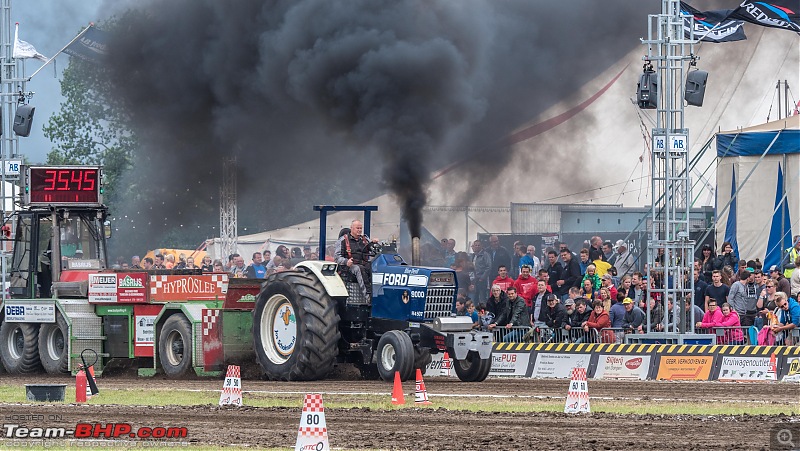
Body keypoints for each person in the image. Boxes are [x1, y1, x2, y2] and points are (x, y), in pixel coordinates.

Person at [334, 220, 377, 298]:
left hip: (364, 263)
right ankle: (369, 296)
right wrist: (346, 261)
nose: (359, 230)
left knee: (374, 267)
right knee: (358, 269)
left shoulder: (365, 240)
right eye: (357, 228)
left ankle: (378, 293)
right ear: (351, 228)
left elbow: (374, 249)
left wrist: (374, 243)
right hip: (349, 267)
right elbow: (337, 258)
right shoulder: (342, 241)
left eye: (360, 228)